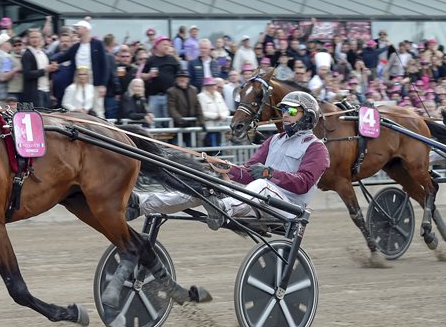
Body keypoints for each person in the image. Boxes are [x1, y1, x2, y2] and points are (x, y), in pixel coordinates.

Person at [129, 91, 330, 230]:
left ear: (308, 116)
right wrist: (227, 168)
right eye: (284, 110)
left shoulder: (316, 148)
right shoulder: (274, 140)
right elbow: (247, 172)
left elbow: (303, 183)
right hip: (259, 200)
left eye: (293, 111)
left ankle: (223, 209)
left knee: (261, 184)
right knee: (208, 186)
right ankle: (142, 204)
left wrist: (269, 174)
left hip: (287, 209)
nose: (286, 114)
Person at [20, 29, 58, 107]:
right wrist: (45, 70)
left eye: (37, 37)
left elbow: (49, 74)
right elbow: (27, 74)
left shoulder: (44, 53)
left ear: (41, 39)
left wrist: (53, 68)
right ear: (28, 39)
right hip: (35, 92)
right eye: (32, 37)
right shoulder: (27, 54)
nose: (35, 40)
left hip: (46, 90)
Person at [166, 69, 201, 148]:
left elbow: (198, 106)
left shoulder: (194, 90)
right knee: (175, 147)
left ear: (188, 79)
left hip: (191, 125)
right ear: (176, 79)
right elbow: (171, 108)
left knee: (193, 147)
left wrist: (201, 121)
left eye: (185, 77)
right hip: (177, 125)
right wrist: (181, 120)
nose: (182, 79)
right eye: (180, 77)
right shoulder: (171, 91)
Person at [197, 76, 229, 149]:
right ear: (205, 87)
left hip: (219, 127)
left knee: (220, 147)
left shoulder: (218, 95)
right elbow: (201, 112)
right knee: (209, 147)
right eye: (209, 85)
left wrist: (222, 116)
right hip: (208, 128)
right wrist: (215, 116)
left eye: (213, 85)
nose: (212, 87)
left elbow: (226, 110)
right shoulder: (200, 96)